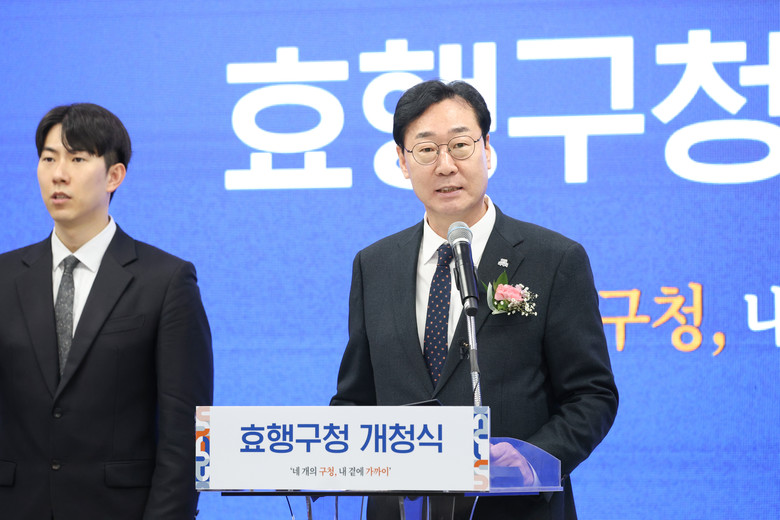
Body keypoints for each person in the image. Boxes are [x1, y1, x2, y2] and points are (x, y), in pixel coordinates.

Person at [331, 80, 618, 519]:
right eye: (426, 150)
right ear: (402, 163)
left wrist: (534, 457)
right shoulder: (374, 265)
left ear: (487, 150)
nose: (445, 165)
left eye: (460, 145)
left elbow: (592, 394)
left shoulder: (554, 259)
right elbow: (356, 399)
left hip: (514, 508)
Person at [0, 103, 213, 519]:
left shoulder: (165, 281)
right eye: (48, 159)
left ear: (114, 175)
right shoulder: (5, 278)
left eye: (77, 159)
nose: (59, 174)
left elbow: (189, 432)